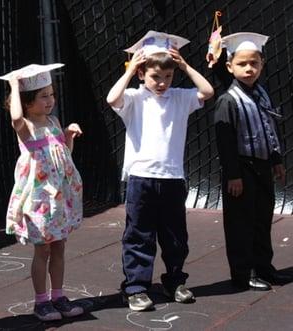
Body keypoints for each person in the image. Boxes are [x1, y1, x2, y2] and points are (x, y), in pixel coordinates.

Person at [106, 31, 214, 311]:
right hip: (141, 178)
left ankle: (174, 280)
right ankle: (136, 287)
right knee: (139, 234)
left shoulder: (179, 98)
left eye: (167, 76)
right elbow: (111, 98)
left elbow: (208, 92)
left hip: (172, 178)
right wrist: (130, 70)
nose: (162, 83)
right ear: (142, 74)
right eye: (156, 77)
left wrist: (185, 66)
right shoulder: (134, 99)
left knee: (175, 235)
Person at [0, 64, 84, 321]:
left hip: (58, 197)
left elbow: (63, 157)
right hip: (39, 199)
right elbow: (14, 119)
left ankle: (58, 296)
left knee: (59, 247)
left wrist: (68, 136)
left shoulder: (54, 122)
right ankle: (41, 301)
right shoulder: (26, 126)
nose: (50, 100)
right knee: (42, 250)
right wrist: (14, 85)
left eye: (51, 94)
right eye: (43, 96)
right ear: (26, 102)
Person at [214, 32, 293, 291]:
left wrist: (276, 160)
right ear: (230, 66)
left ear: (262, 64)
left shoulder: (261, 93)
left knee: (262, 219)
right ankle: (242, 272)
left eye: (254, 63)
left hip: (262, 166)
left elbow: (270, 127)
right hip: (241, 169)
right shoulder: (228, 100)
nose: (249, 69)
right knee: (240, 222)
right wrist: (233, 174)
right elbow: (225, 142)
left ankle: (264, 267)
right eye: (242, 64)